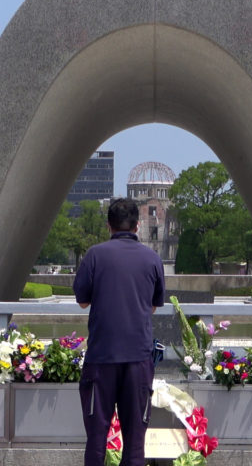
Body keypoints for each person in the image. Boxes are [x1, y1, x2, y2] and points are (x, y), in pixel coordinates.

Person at [73, 198, 166, 466]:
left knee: (96, 439)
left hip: (101, 357)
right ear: (137, 225)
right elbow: (153, 307)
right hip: (138, 357)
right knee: (135, 443)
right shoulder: (152, 259)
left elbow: (82, 301)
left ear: (108, 226)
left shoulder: (94, 255)